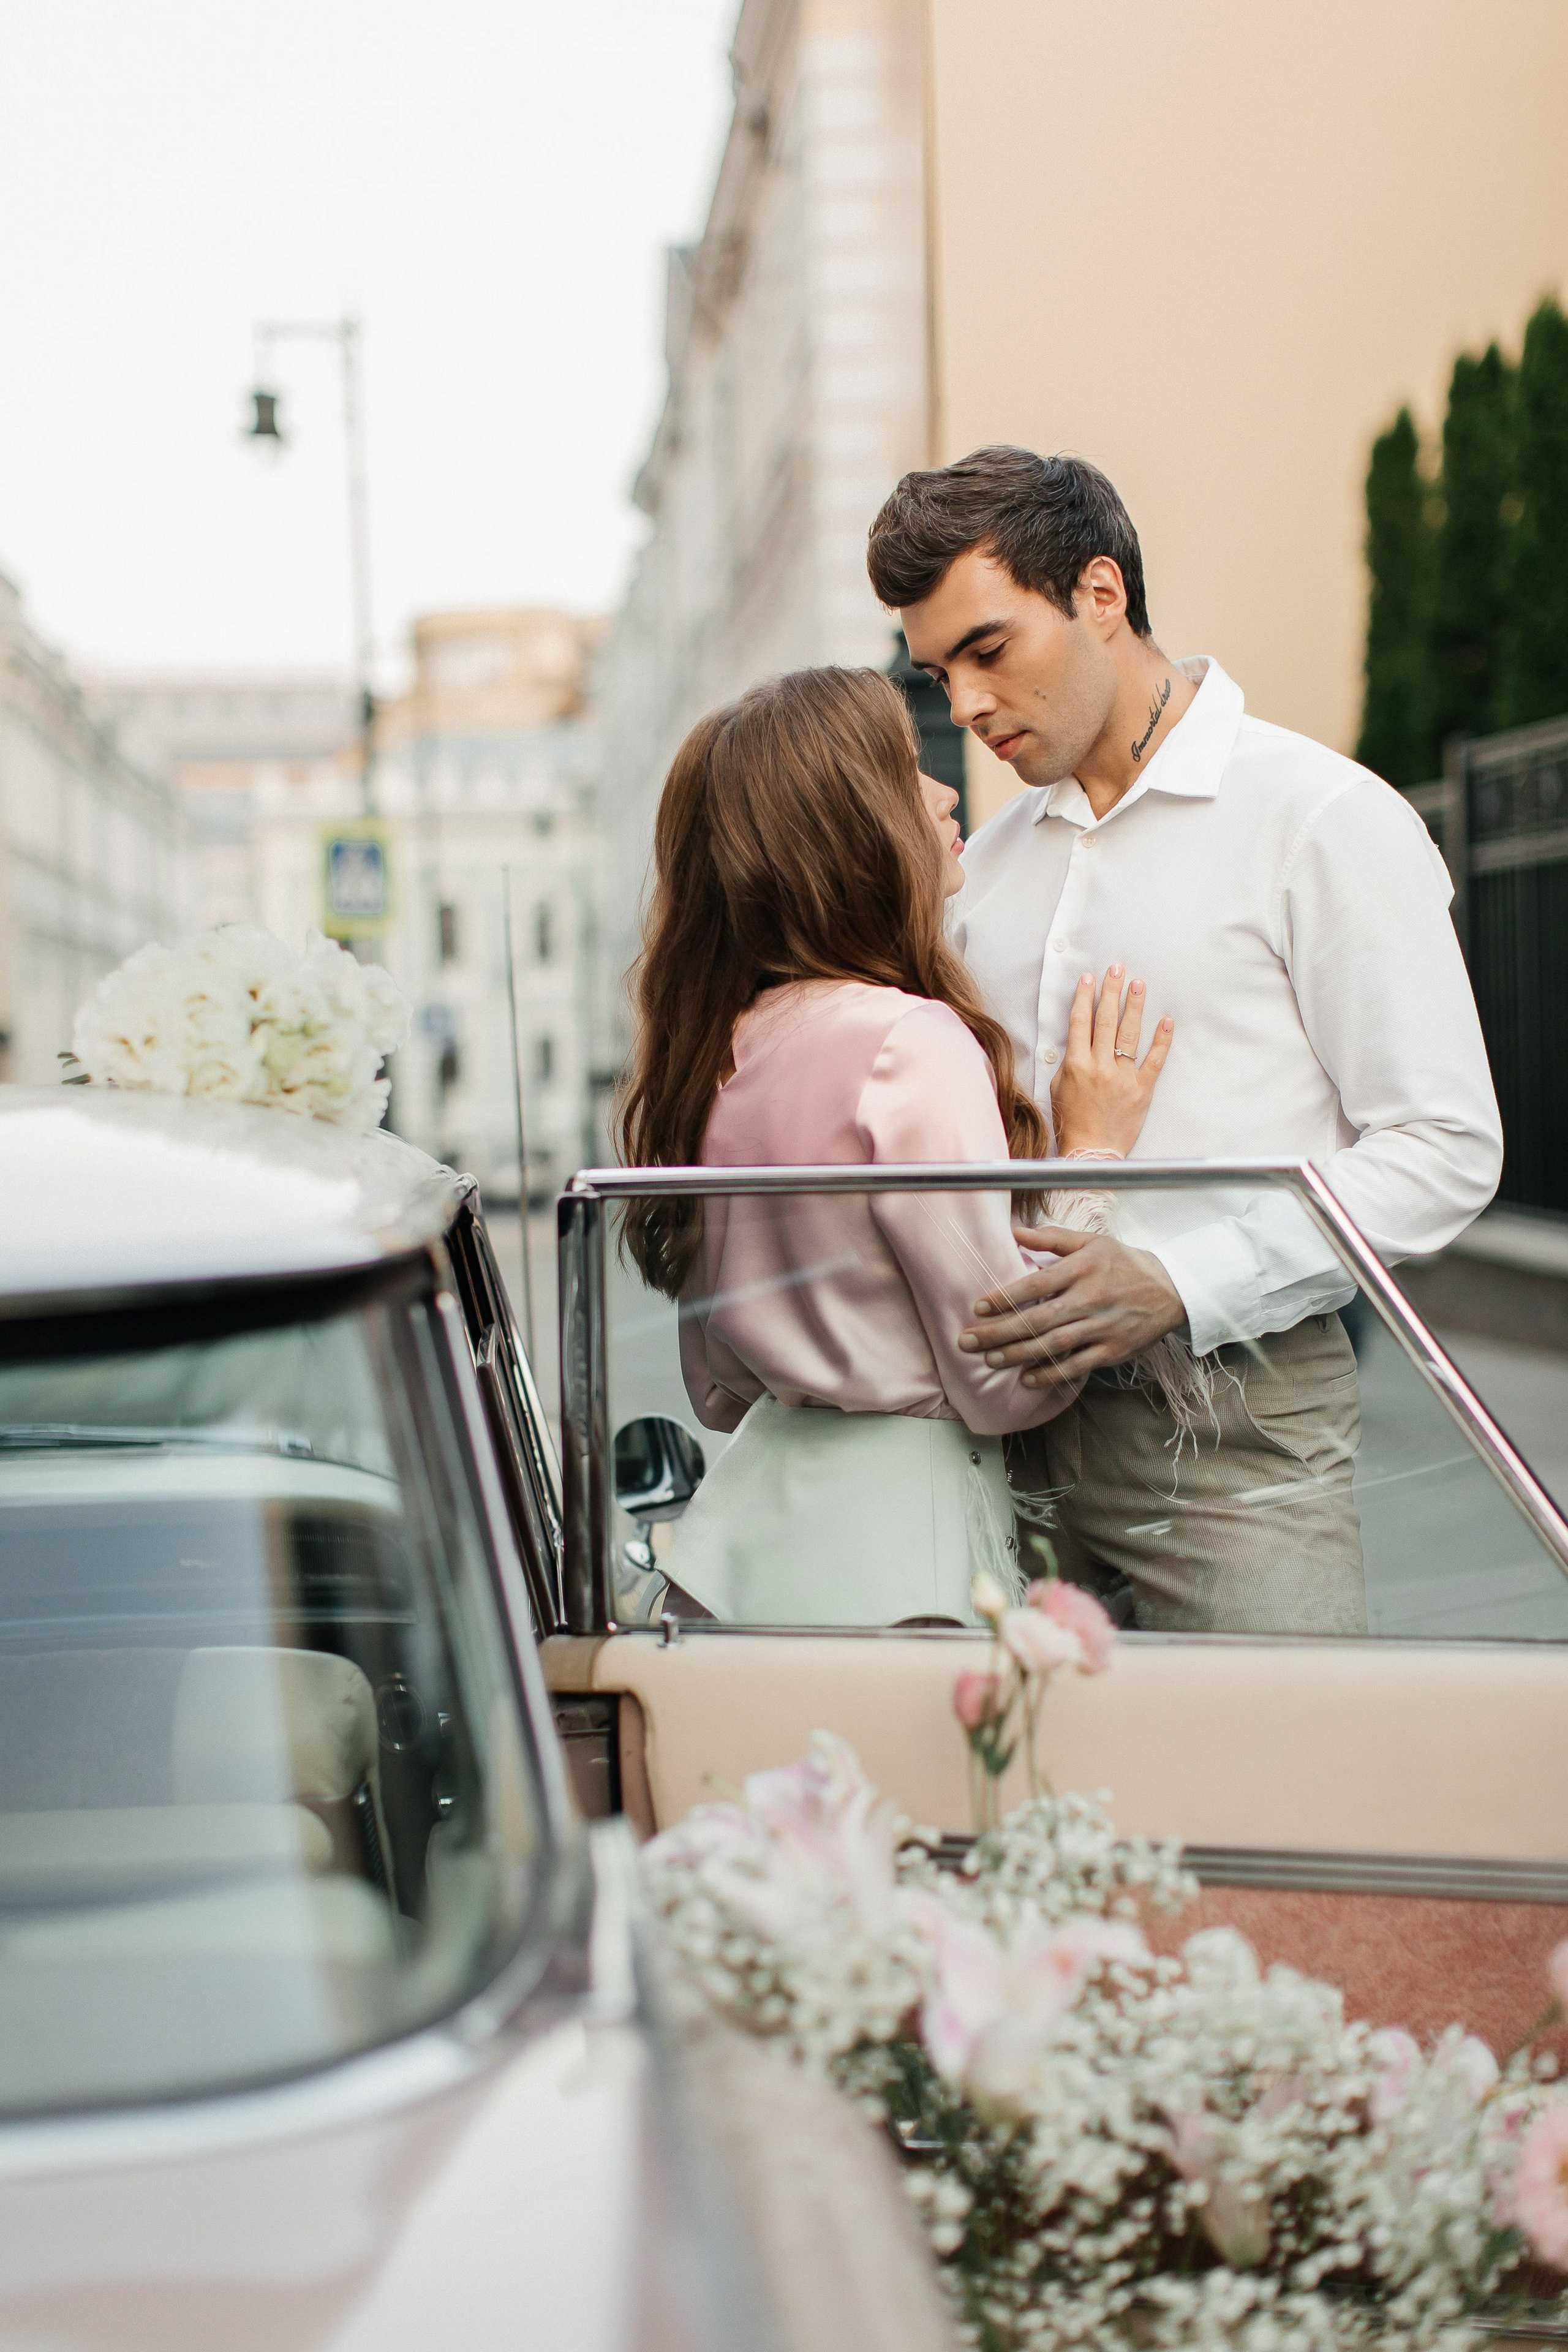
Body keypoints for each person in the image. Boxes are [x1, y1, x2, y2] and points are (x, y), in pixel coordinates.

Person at [866, 445, 1504, 1635]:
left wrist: (1181, 1282)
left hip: (1237, 1431)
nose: (963, 708)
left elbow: (1443, 1146)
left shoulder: (1322, 818)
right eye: (938, 673)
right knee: (1028, 1759)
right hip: (1004, 1437)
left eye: (988, 650)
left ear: (1099, 594)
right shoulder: (982, 872)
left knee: (1269, 1753)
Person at [616, 665, 1169, 1626]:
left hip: (731, 1560)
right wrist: (1092, 1151)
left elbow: (717, 1389)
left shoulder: (721, 1047)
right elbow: (1007, 1376)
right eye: (907, 769)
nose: (945, 792)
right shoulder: (907, 1042)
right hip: (896, 1572)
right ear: (850, 826)